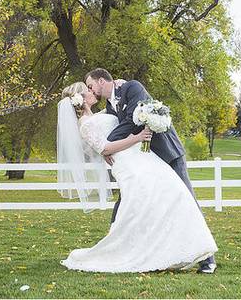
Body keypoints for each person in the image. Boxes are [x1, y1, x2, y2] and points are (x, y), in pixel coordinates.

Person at [56, 80, 218, 273]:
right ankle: (129, 250)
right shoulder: (84, 124)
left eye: (91, 87)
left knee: (172, 198)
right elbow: (104, 147)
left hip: (144, 158)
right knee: (138, 208)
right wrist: (135, 139)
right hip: (127, 165)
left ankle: (196, 253)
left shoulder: (108, 108)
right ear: (81, 100)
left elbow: (121, 120)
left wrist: (120, 87)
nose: (92, 91)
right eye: (87, 90)